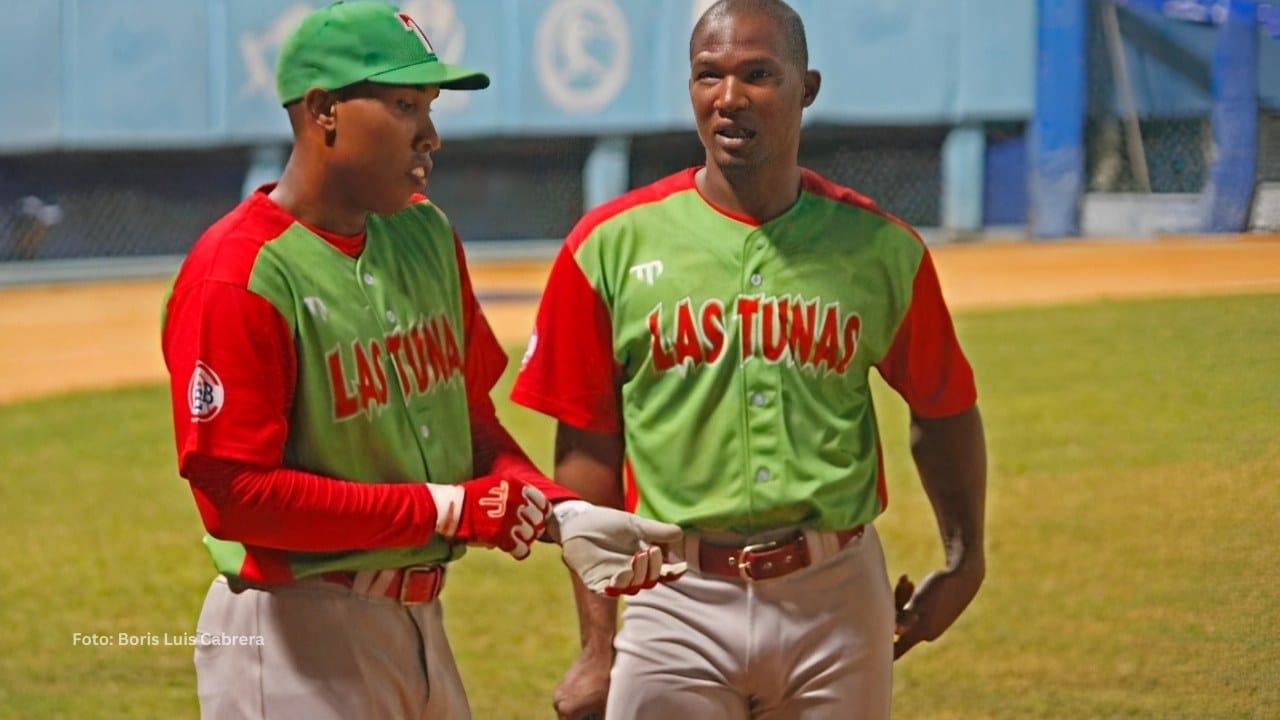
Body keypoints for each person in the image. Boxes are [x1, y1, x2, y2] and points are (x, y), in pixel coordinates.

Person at [161, 3, 684, 718]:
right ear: (324, 112)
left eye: (429, 107)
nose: (430, 135)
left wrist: (561, 515)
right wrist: (449, 510)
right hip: (289, 632)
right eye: (405, 105)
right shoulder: (238, 274)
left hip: (419, 624)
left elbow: (469, 425)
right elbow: (235, 496)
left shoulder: (424, 234)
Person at [511, 1, 988, 718]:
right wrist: (597, 643)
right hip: (671, 591)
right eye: (709, 75)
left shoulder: (879, 248)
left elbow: (943, 406)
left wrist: (965, 557)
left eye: (758, 75)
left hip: (835, 592)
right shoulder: (607, 246)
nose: (729, 97)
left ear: (807, 88)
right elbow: (586, 443)